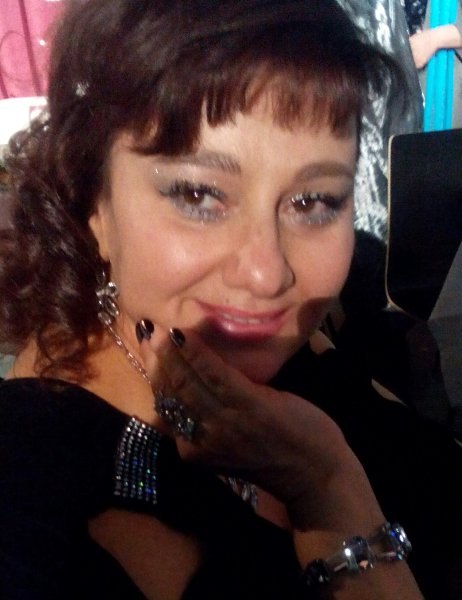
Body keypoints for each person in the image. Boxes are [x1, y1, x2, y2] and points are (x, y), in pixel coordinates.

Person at [0, 1, 460, 598]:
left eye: (313, 202)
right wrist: (326, 487)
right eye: (198, 195)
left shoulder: (309, 355)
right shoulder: (34, 491)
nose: (267, 275)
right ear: (94, 205)